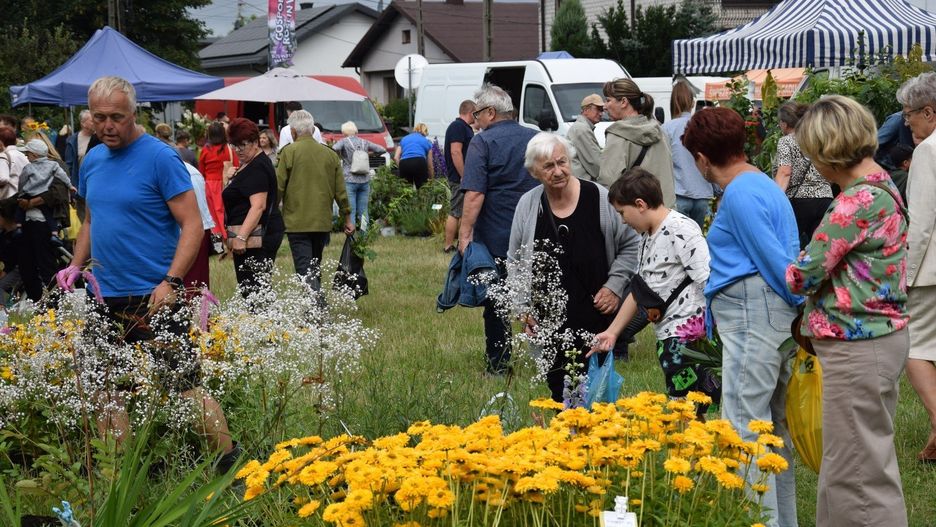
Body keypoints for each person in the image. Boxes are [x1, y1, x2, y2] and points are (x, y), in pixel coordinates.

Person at [55, 76, 237, 468]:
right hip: (104, 295)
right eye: (99, 117)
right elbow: (90, 219)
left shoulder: (160, 157)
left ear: (134, 113)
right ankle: (117, 475)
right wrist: (74, 265)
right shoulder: (94, 159)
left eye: (116, 117)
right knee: (107, 388)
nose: (107, 126)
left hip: (154, 296)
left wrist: (171, 281)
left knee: (185, 388)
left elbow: (192, 224)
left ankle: (230, 465)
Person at [788, 95, 909, 527]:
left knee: (858, 474)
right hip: (877, 339)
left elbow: (803, 274)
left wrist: (794, 265)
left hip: (858, 345)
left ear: (828, 151)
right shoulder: (882, 183)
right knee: (853, 462)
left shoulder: (854, 202)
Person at [682, 107, 800, 527]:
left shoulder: (742, 192)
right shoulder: (763, 184)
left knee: (745, 430)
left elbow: (776, 261)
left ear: (701, 157)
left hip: (755, 314)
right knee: (772, 434)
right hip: (768, 315)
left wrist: (794, 305)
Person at [509, 132, 638, 401]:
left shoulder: (599, 198)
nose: (558, 171)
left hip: (597, 318)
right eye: (548, 166)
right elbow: (516, 261)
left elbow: (631, 246)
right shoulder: (528, 205)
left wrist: (614, 286)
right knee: (559, 392)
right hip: (549, 322)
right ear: (534, 171)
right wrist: (522, 309)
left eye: (562, 162)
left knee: (598, 395)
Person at [590, 167, 719, 413]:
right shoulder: (647, 234)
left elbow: (707, 280)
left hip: (689, 337)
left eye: (622, 212)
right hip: (666, 335)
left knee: (691, 408)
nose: (622, 220)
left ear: (639, 204)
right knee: (680, 404)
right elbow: (640, 289)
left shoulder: (681, 229)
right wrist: (612, 332)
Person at [460, 83, 539, 374]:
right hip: (535, 230)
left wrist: (465, 235)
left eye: (477, 113)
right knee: (540, 293)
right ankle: (549, 358)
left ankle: (499, 363)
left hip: (497, 233)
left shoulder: (482, 142)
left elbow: (475, 193)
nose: (473, 120)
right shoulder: (535, 137)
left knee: (497, 300)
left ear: (491, 113)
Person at [897, 72, 936, 467]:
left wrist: (904, 275)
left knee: (916, 347)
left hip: (930, 271)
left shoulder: (928, 152)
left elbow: (922, 221)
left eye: (910, 114)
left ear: (929, 111)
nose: (906, 121)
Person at [277, 110, 354, 291]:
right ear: (312, 129)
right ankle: (315, 307)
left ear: (293, 132)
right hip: (321, 222)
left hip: (297, 222)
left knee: (305, 270)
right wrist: (348, 218)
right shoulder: (330, 155)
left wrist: (270, 215)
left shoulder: (288, 153)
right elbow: (340, 191)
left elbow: (278, 187)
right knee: (314, 265)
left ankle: (317, 309)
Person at [223, 118, 285, 296]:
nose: (238, 150)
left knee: (254, 290)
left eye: (242, 145)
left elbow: (258, 206)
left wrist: (241, 237)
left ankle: (262, 322)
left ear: (255, 142)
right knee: (252, 288)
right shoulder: (248, 163)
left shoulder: (257, 167)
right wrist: (230, 178)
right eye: (234, 145)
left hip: (255, 236)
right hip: (252, 233)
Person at [599, 78, 676, 207]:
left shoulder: (617, 135)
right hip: (666, 212)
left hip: (637, 216)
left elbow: (608, 182)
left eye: (608, 100)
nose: (604, 106)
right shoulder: (659, 130)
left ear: (623, 102)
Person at [15, 139, 72, 301]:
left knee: (46, 265)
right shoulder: (30, 168)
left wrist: (31, 202)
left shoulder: (56, 167)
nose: (26, 156)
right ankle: (38, 303)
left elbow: (58, 193)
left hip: (46, 223)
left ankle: (54, 305)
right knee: (27, 266)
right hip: (27, 222)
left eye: (28, 153)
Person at [774, 102, 834, 249]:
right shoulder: (819, 139)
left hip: (798, 202)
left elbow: (785, 171)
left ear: (785, 123)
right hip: (825, 198)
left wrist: (775, 198)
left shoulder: (786, 141)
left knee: (788, 246)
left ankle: (791, 271)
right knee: (822, 246)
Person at [662, 80, 714, 228]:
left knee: (680, 244)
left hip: (678, 194)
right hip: (704, 193)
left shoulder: (666, 129)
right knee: (702, 243)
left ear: (672, 102)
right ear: (692, 103)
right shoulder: (704, 127)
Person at [332, 121, 386, 227]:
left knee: (351, 210)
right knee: (363, 211)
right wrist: (369, 154)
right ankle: (364, 235)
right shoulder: (364, 142)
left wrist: (341, 155)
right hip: (365, 179)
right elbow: (382, 149)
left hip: (349, 179)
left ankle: (351, 236)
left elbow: (333, 149)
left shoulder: (344, 141)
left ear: (344, 132)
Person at [442, 100, 476, 253]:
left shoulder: (463, 127)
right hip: (459, 178)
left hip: (461, 176)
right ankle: (448, 246)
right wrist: (464, 175)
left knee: (463, 211)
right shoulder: (458, 127)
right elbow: (456, 152)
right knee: (455, 212)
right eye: (475, 113)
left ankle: (460, 244)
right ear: (470, 112)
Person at [199, 121, 237, 240]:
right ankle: (227, 235)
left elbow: (201, 170)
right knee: (224, 211)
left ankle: (217, 237)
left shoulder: (205, 150)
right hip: (225, 182)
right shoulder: (229, 149)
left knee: (212, 213)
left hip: (209, 184)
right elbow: (236, 164)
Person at [567, 94, 604, 182]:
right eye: (598, 109)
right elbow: (595, 165)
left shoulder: (581, 127)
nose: (601, 113)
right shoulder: (581, 129)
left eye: (602, 110)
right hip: (582, 184)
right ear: (586, 109)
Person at [395, 123, 434, 188]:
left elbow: (396, 157)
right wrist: (432, 179)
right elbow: (430, 165)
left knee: (406, 192)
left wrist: (402, 168)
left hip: (404, 163)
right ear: (425, 132)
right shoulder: (427, 141)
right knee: (423, 190)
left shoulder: (404, 139)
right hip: (419, 162)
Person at [0, 198, 22, 306]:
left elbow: (11, 262)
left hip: (16, 270)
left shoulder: (16, 236)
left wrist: (3, 274)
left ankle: (5, 310)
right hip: (7, 268)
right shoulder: (3, 234)